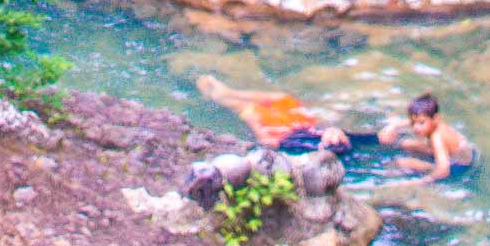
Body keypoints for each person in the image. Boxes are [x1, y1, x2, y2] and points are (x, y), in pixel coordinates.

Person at [196, 74, 353, 153]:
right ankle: (230, 92)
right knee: (283, 98)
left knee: (250, 109)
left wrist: (255, 124)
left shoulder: (307, 146)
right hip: (301, 123)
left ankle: (220, 96)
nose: (334, 133)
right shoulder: (337, 137)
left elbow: (270, 144)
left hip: (281, 132)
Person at [378, 93, 475, 182]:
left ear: (435, 118)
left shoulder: (437, 138)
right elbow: (417, 121)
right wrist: (394, 126)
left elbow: (443, 170)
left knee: (401, 162)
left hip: (456, 166)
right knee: (406, 144)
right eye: (413, 123)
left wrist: (421, 181)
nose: (416, 128)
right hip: (458, 154)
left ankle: (386, 176)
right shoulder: (435, 123)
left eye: (421, 123)